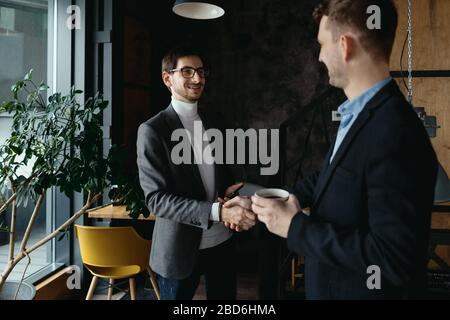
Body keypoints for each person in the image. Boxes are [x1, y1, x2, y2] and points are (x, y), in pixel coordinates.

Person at [227, 0, 438, 299]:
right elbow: (327, 181)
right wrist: (262, 201)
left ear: (344, 46)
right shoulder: (360, 114)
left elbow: (392, 258)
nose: (321, 56)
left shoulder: (395, 131)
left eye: (322, 44)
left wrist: (295, 228)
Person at [137, 45, 256, 300]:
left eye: (201, 71)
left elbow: (220, 174)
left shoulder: (214, 119)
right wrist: (218, 211)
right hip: (178, 249)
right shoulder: (152, 130)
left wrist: (227, 192)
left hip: (222, 242)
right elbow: (157, 200)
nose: (198, 78)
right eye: (187, 71)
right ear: (168, 78)